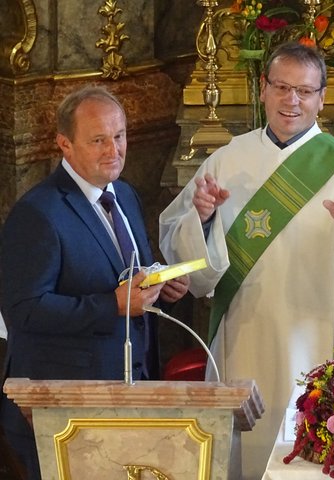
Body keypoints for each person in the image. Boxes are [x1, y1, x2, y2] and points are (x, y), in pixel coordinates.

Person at [159, 42, 334, 479]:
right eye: (282, 87)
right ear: (263, 89)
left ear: (322, 98)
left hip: (320, 339)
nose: (292, 101)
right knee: (248, 454)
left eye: (305, 91)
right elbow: (181, 247)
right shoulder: (227, 159)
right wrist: (204, 219)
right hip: (246, 331)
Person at [0, 86, 190, 479]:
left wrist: (159, 292)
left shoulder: (125, 195)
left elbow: (126, 281)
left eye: (119, 136)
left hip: (129, 396)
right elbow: (23, 310)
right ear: (64, 144)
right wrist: (114, 305)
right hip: (65, 410)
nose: (114, 150)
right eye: (99, 140)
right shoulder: (38, 213)